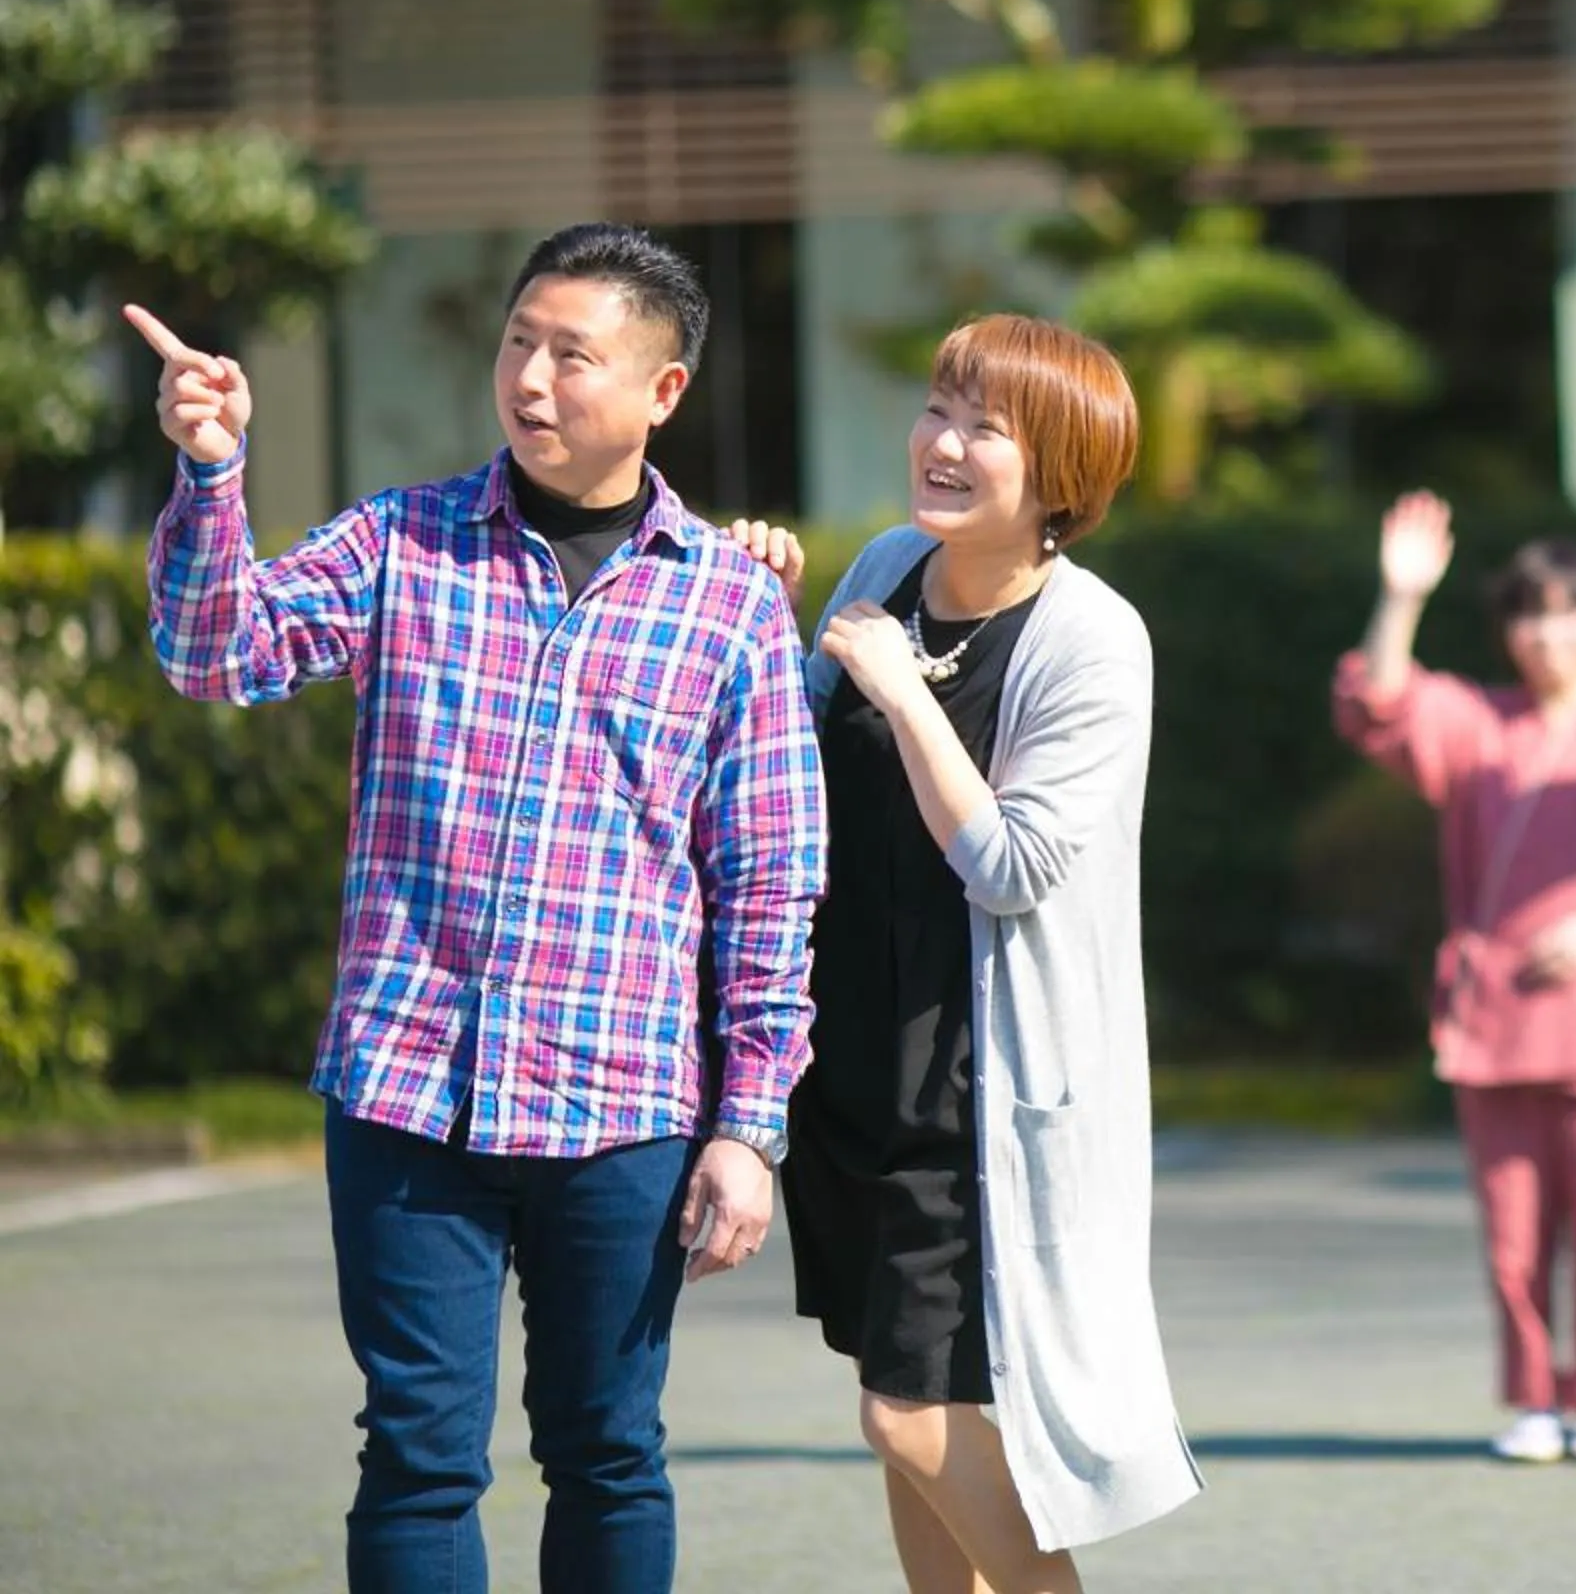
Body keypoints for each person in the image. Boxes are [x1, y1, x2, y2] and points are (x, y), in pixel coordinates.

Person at [132, 224, 824, 1594]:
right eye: (520, 340)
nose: (534, 378)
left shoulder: (733, 608)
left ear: (661, 392)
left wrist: (751, 1126)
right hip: (406, 1093)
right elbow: (219, 658)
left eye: (577, 355)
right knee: (417, 1455)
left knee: (608, 1449)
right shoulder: (403, 540)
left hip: (619, 1107)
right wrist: (212, 472)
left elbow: (768, 882)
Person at [736, 313, 1197, 1594]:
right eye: (939, 406)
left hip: (976, 1093)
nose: (941, 442)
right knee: (903, 1415)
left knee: (905, 1411)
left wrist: (902, 691)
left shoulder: (1094, 639)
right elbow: (796, 769)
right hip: (852, 1074)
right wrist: (770, 625)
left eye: (984, 427)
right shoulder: (885, 565)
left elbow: (1010, 863)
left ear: (1060, 475)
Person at [1331, 492, 1576, 1466]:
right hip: (1496, 1018)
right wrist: (1399, 595)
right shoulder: (1477, 722)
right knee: (1514, 1234)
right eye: (1530, 613)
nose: (1551, 633)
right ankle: (1534, 1395)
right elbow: (1380, 705)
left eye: (1573, 612)